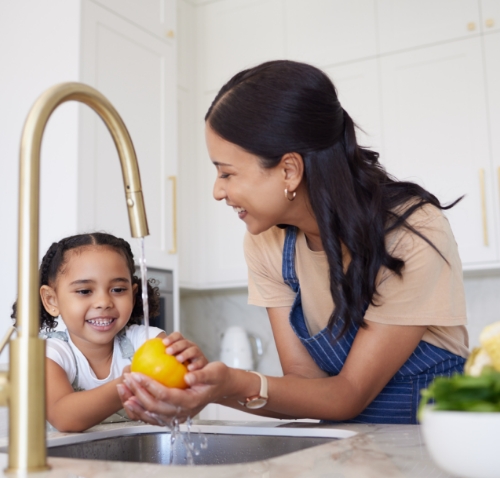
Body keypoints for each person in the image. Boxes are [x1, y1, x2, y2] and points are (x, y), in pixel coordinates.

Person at [119, 60, 469, 425]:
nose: (217, 191)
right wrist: (208, 386)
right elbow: (305, 386)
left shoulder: (412, 232)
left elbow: (346, 395)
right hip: (346, 454)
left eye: (227, 173)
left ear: (289, 170)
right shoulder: (266, 242)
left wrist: (229, 384)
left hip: (429, 454)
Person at [11, 232, 207, 432]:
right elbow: (64, 417)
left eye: (118, 290)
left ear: (133, 293)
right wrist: (130, 383)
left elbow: (181, 395)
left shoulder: (147, 340)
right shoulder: (51, 353)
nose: (104, 302)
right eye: (84, 291)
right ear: (51, 300)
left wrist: (192, 369)